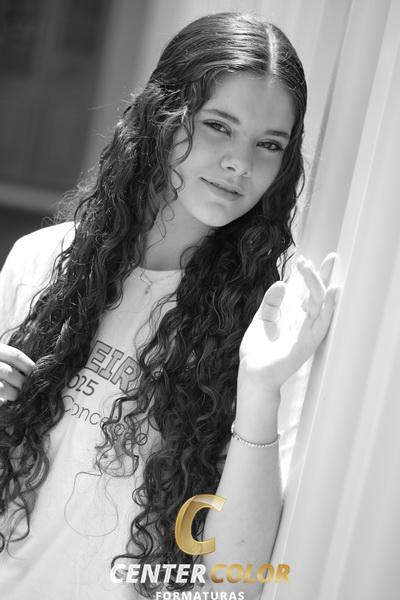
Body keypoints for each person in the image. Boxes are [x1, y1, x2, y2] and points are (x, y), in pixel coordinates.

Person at [0, 11, 338, 600]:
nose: (241, 163)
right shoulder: (42, 260)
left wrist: (259, 389)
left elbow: (235, 582)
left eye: (269, 144)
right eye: (218, 126)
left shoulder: (272, 328)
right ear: (163, 117)